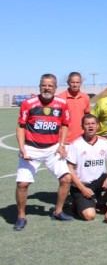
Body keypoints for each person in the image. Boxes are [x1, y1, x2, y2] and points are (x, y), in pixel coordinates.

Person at [14, 74, 75, 230]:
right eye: (44, 85)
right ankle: (21, 216)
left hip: (52, 148)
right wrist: (22, 148)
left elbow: (65, 125)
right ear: (39, 86)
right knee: (22, 184)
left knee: (66, 179)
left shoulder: (61, 104)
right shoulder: (29, 104)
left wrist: (61, 145)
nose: (47, 88)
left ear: (55, 88)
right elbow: (21, 126)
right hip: (31, 148)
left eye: (50, 85)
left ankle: (58, 211)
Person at [66, 114, 107, 221]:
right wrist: (82, 188)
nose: (90, 126)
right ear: (82, 127)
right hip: (83, 185)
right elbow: (69, 168)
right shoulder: (75, 144)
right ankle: (76, 204)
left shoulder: (104, 142)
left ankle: (104, 201)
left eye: (93, 123)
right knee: (90, 216)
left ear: (98, 125)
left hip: (100, 181)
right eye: (87, 124)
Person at [57, 72, 91, 144]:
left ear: (81, 83)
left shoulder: (85, 98)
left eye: (77, 82)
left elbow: (87, 117)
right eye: (72, 82)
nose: (75, 85)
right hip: (65, 140)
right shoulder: (60, 98)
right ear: (68, 82)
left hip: (81, 139)